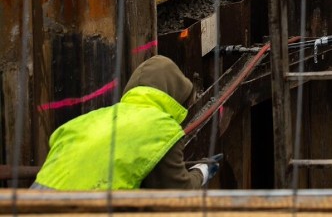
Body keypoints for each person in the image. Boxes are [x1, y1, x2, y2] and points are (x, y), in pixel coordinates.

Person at [32, 55, 220, 190]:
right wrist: (201, 172)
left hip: (30, 206)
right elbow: (178, 193)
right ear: (176, 95)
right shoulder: (163, 129)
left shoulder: (91, 119)